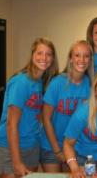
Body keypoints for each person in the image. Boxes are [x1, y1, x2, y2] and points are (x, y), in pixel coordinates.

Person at [0, 37, 59, 177]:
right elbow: (11, 124)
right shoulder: (21, 82)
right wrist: (16, 162)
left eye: (48, 54)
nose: (44, 58)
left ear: (53, 58)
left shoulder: (42, 81)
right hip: (9, 147)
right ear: (32, 55)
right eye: (39, 53)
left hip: (31, 145)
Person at [40, 40, 93, 172]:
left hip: (75, 146)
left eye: (86, 56)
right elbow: (45, 118)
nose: (82, 60)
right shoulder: (57, 82)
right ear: (70, 58)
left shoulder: (90, 84)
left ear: (90, 60)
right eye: (77, 55)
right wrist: (57, 150)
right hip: (51, 145)